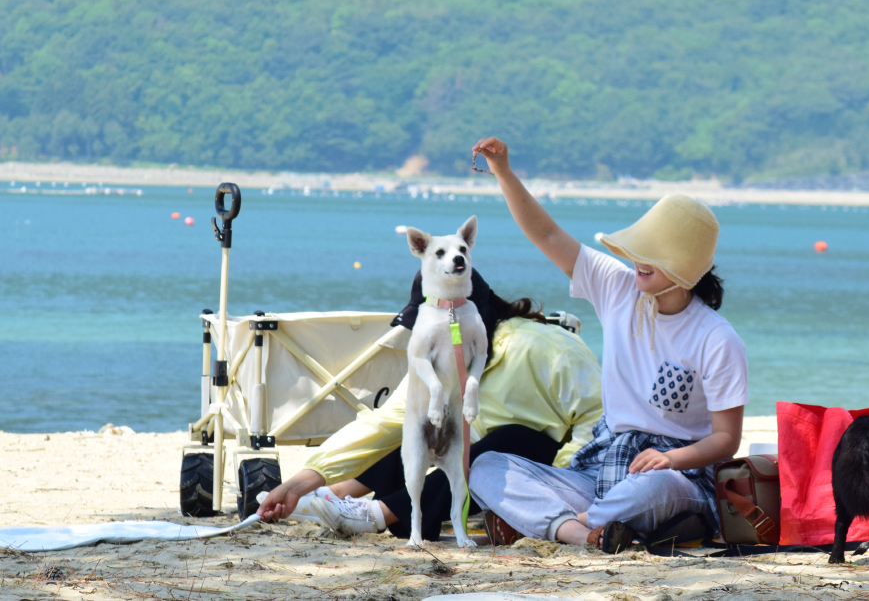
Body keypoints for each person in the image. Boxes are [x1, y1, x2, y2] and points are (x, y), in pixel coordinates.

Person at [467, 136, 747, 553]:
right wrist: (504, 172)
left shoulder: (716, 337)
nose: (638, 260)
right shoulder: (619, 289)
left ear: (684, 269)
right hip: (603, 467)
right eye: (638, 250)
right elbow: (545, 234)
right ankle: (588, 533)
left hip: (675, 476)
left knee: (648, 489)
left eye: (653, 254)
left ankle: (569, 524)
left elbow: (726, 440)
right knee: (486, 466)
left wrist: (670, 459)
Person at [256, 267, 603, 541]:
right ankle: (332, 496)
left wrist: (558, 485)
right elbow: (383, 424)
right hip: (481, 474)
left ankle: (379, 514)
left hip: (554, 476)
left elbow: (599, 420)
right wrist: (301, 482)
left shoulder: (546, 349)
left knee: (506, 437)